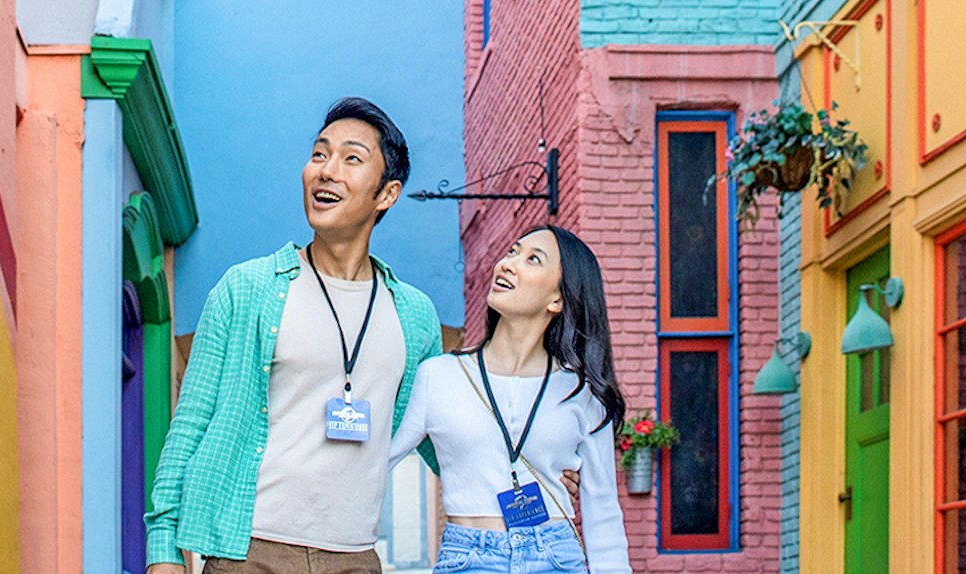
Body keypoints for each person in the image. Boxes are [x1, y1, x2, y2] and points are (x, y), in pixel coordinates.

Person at [145, 97, 442, 574]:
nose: (326, 171)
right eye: (319, 154)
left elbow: (438, 434)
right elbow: (191, 424)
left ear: (387, 194)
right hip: (250, 551)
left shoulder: (414, 316)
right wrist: (163, 551)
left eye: (351, 158)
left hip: (355, 558)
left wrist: (529, 477)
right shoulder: (248, 289)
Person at [388, 226, 631, 574]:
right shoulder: (439, 376)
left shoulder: (581, 391)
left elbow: (603, 510)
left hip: (557, 557)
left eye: (532, 259)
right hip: (469, 558)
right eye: (512, 252)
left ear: (557, 299)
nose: (507, 264)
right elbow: (375, 463)